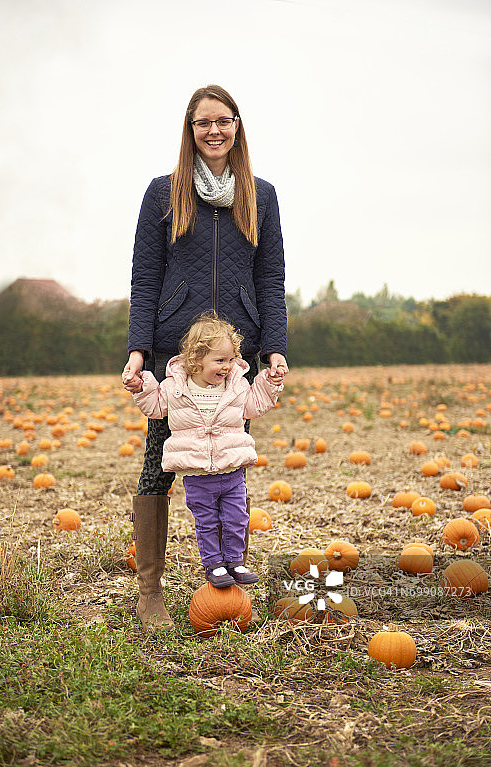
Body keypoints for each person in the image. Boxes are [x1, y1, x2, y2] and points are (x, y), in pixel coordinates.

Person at [122, 84, 288, 630]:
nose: (214, 131)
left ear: (237, 126)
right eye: (203, 122)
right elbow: (145, 278)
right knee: (160, 465)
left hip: (233, 356)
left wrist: (274, 348)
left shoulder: (261, 196)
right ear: (190, 130)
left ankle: (224, 582)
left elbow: (271, 279)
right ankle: (150, 591)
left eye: (223, 121)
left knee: (229, 463)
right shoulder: (162, 193)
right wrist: (138, 350)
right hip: (176, 352)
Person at [129, 313, 284, 590]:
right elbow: (155, 407)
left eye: (231, 359)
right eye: (220, 360)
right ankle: (214, 564)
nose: (227, 366)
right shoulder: (175, 388)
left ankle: (235, 561)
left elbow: (256, 404)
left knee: (237, 519)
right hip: (198, 474)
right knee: (207, 522)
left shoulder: (236, 386)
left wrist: (270, 383)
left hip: (232, 471)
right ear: (196, 359)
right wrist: (141, 387)